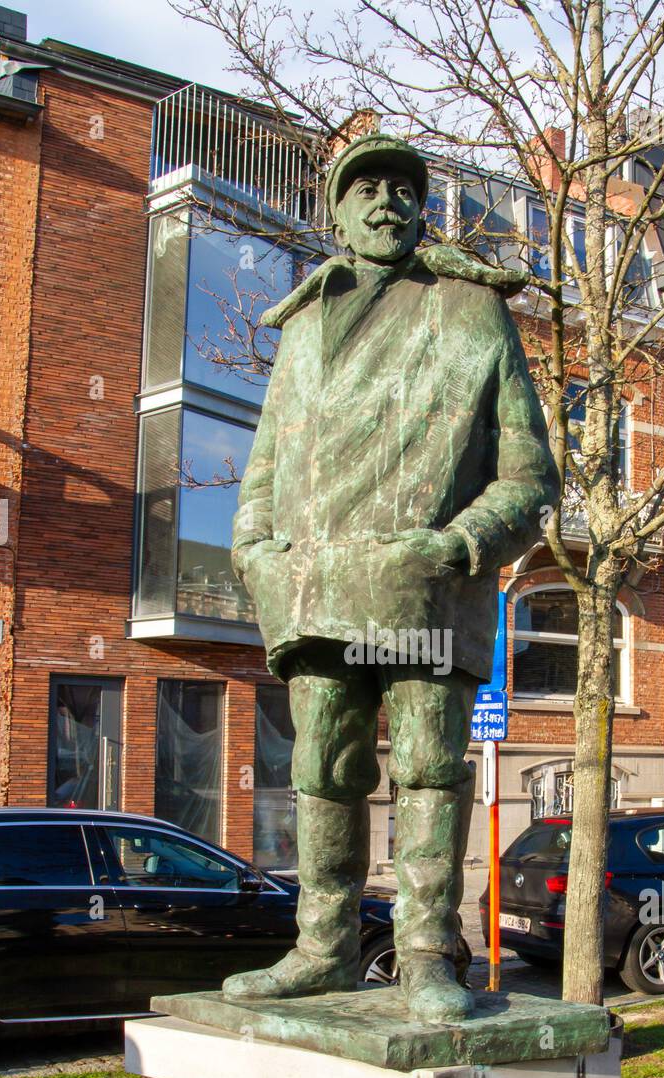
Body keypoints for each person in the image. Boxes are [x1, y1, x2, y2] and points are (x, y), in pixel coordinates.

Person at [223, 133, 558, 1021]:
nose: (385, 204)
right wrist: (253, 548)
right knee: (322, 765)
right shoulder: (302, 324)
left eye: (403, 190)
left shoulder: (471, 309)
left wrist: (455, 547)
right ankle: (322, 947)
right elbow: (266, 466)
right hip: (313, 585)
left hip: (422, 589)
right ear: (335, 211)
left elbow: (530, 478)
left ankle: (423, 957)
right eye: (364, 188)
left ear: (422, 208)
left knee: (427, 766)